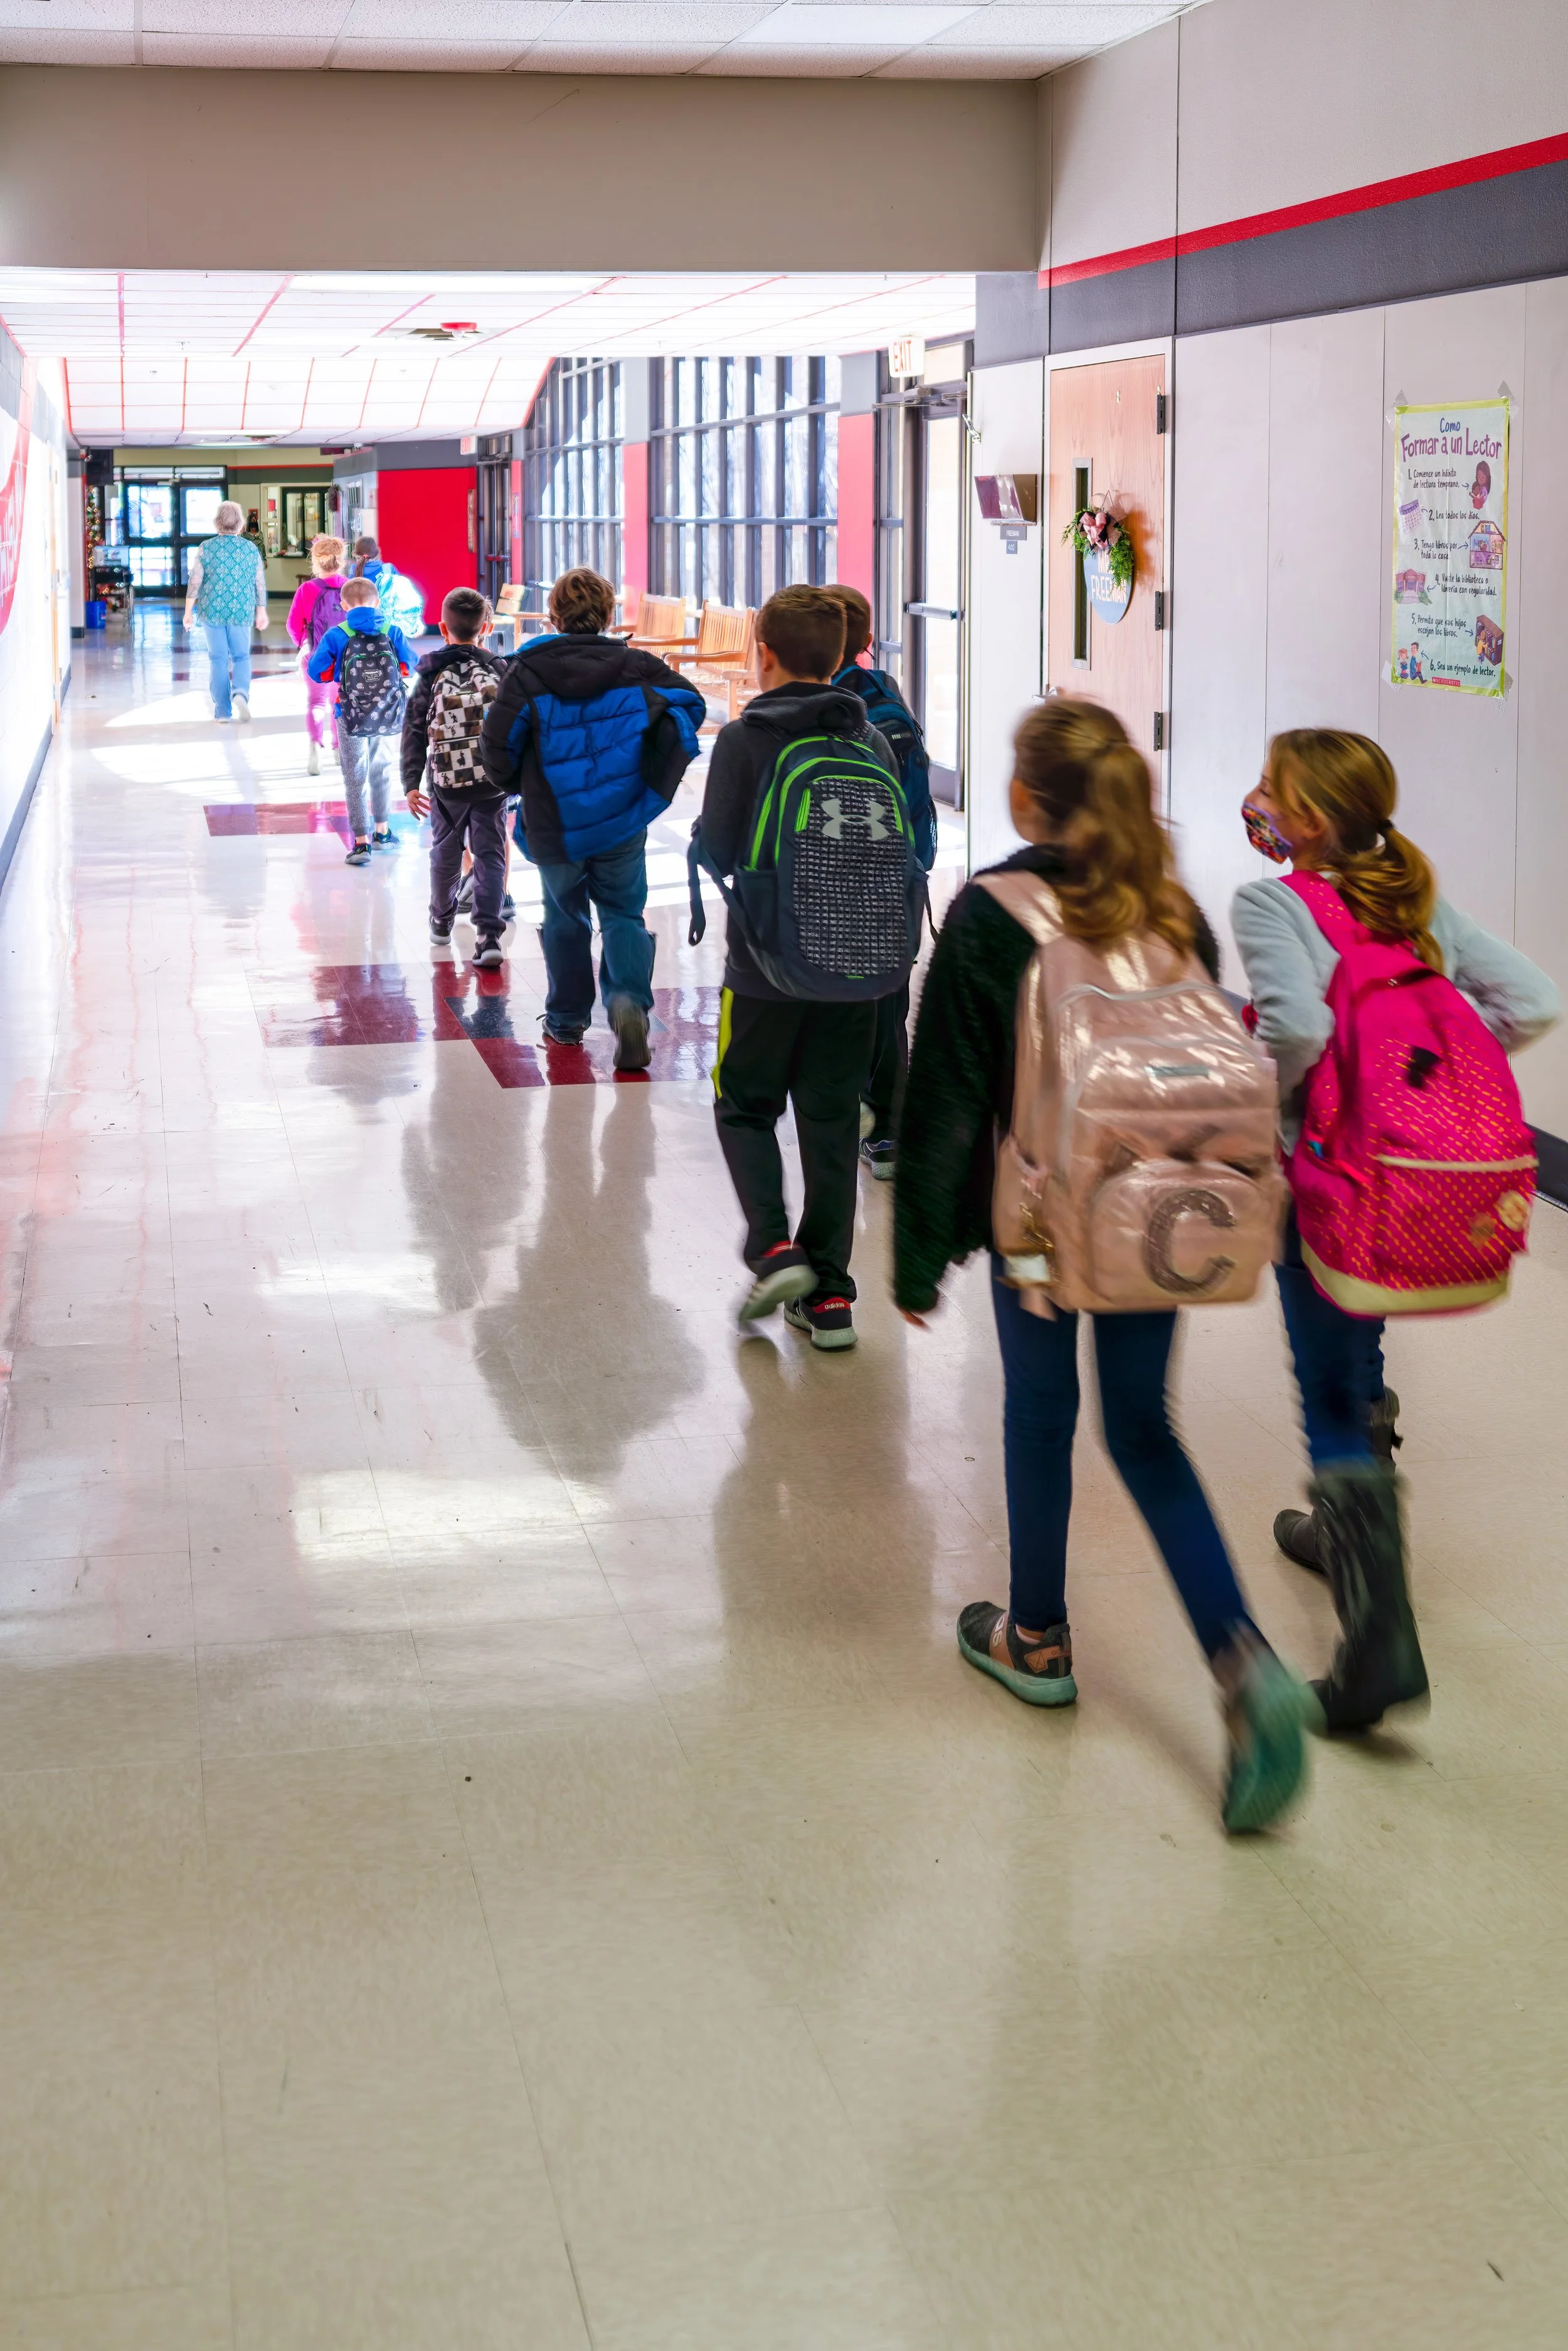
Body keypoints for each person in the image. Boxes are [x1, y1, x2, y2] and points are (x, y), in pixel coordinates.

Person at [894, 696, 1310, 1834]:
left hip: (1044, 1224)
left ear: (1025, 797)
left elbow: (944, 1100)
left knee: (1039, 1416)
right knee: (1144, 1430)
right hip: (1165, 1219)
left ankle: (1036, 1636)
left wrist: (921, 1255)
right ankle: (1244, 1658)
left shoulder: (991, 912)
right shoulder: (1171, 910)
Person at [1234, 730, 1559, 1728]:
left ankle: (1378, 1649)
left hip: (1325, 1175)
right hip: (1407, 1185)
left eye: (1273, 794)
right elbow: (1534, 1003)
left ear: (1309, 823)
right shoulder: (1412, 897)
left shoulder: (1273, 902)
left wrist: (1280, 1110)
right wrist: (1435, 1076)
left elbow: (1295, 1031)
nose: (1258, 805)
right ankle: (1340, 1534)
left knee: (1329, 1387)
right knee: (1358, 1358)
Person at [698, 585, 901, 1354]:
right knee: (829, 1121)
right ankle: (831, 1298)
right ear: (845, 654)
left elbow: (720, 848)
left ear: (765, 655)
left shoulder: (746, 740)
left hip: (763, 969)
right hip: (856, 969)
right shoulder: (869, 739)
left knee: (744, 1105)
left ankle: (774, 1250)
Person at [481, 566, 704, 1068]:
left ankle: (566, 1022)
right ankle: (628, 1005)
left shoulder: (526, 674)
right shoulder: (640, 669)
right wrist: (652, 759)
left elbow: (497, 749)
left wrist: (523, 785)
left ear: (555, 616)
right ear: (608, 616)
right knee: (623, 913)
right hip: (623, 815)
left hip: (554, 820)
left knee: (565, 916)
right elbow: (690, 704)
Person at [823, 583, 938, 1182]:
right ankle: (891, 1129)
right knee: (889, 1001)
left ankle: (855, 1115)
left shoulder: (825, 709)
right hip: (903, 874)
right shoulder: (886, 691)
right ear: (867, 640)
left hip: (844, 885)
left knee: (843, 1002)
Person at [403, 587, 510, 968]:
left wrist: (411, 783)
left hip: (446, 787)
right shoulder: (499, 668)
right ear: (488, 627)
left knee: (445, 854)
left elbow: (414, 728)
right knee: (490, 855)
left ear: (443, 629)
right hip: (492, 783)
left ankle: (441, 920)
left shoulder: (430, 673)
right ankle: (488, 934)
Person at [307, 576, 416, 867]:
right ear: (377, 602)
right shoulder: (392, 631)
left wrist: (337, 674)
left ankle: (361, 843)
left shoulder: (336, 634)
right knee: (381, 768)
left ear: (343, 606)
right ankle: (383, 832)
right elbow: (410, 666)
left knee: (355, 776)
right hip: (387, 713)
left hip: (350, 715)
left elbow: (316, 672)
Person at [183, 498, 268, 723]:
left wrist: (188, 612)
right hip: (241, 609)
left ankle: (222, 711)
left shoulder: (206, 548)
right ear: (241, 525)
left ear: (218, 524)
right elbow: (259, 583)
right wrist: (262, 611)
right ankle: (240, 693)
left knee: (218, 659)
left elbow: (195, 582)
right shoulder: (251, 549)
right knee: (241, 657)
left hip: (212, 610)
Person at [285, 534, 347, 777]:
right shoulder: (350, 587)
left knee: (316, 703)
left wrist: (305, 643)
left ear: (316, 562)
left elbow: (293, 625)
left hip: (315, 655)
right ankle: (338, 750)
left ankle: (314, 745)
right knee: (338, 702)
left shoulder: (306, 590)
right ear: (341, 561)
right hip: (344, 657)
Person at [349, 534, 426, 644]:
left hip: (356, 629)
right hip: (385, 629)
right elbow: (402, 598)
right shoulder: (388, 570)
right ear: (378, 552)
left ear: (356, 554)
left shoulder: (351, 573)